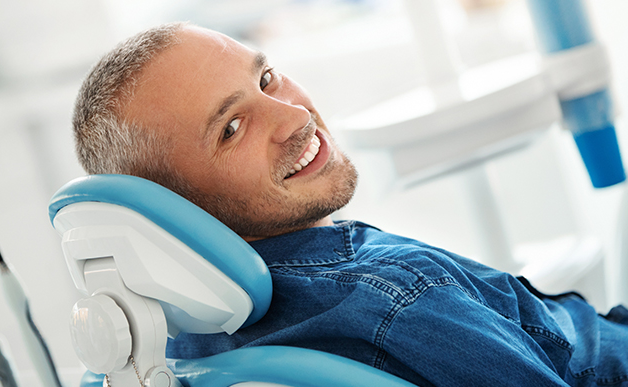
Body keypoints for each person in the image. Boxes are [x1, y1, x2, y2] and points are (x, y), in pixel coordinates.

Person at [72, 22, 628, 386]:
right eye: (232, 128)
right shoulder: (395, 296)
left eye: (266, 78)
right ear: (174, 205)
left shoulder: (188, 342)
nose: (292, 115)